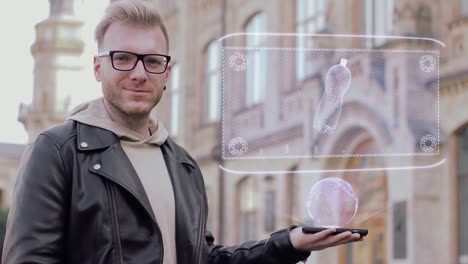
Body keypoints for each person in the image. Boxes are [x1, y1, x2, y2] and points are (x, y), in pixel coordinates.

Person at [2, 0, 363, 263]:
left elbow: (204, 259)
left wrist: (289, 243)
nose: (139, 73)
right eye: (122, 58)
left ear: (167, 72)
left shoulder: (182, 164)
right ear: (98, 68)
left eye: (152, 60)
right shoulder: (57, 152)